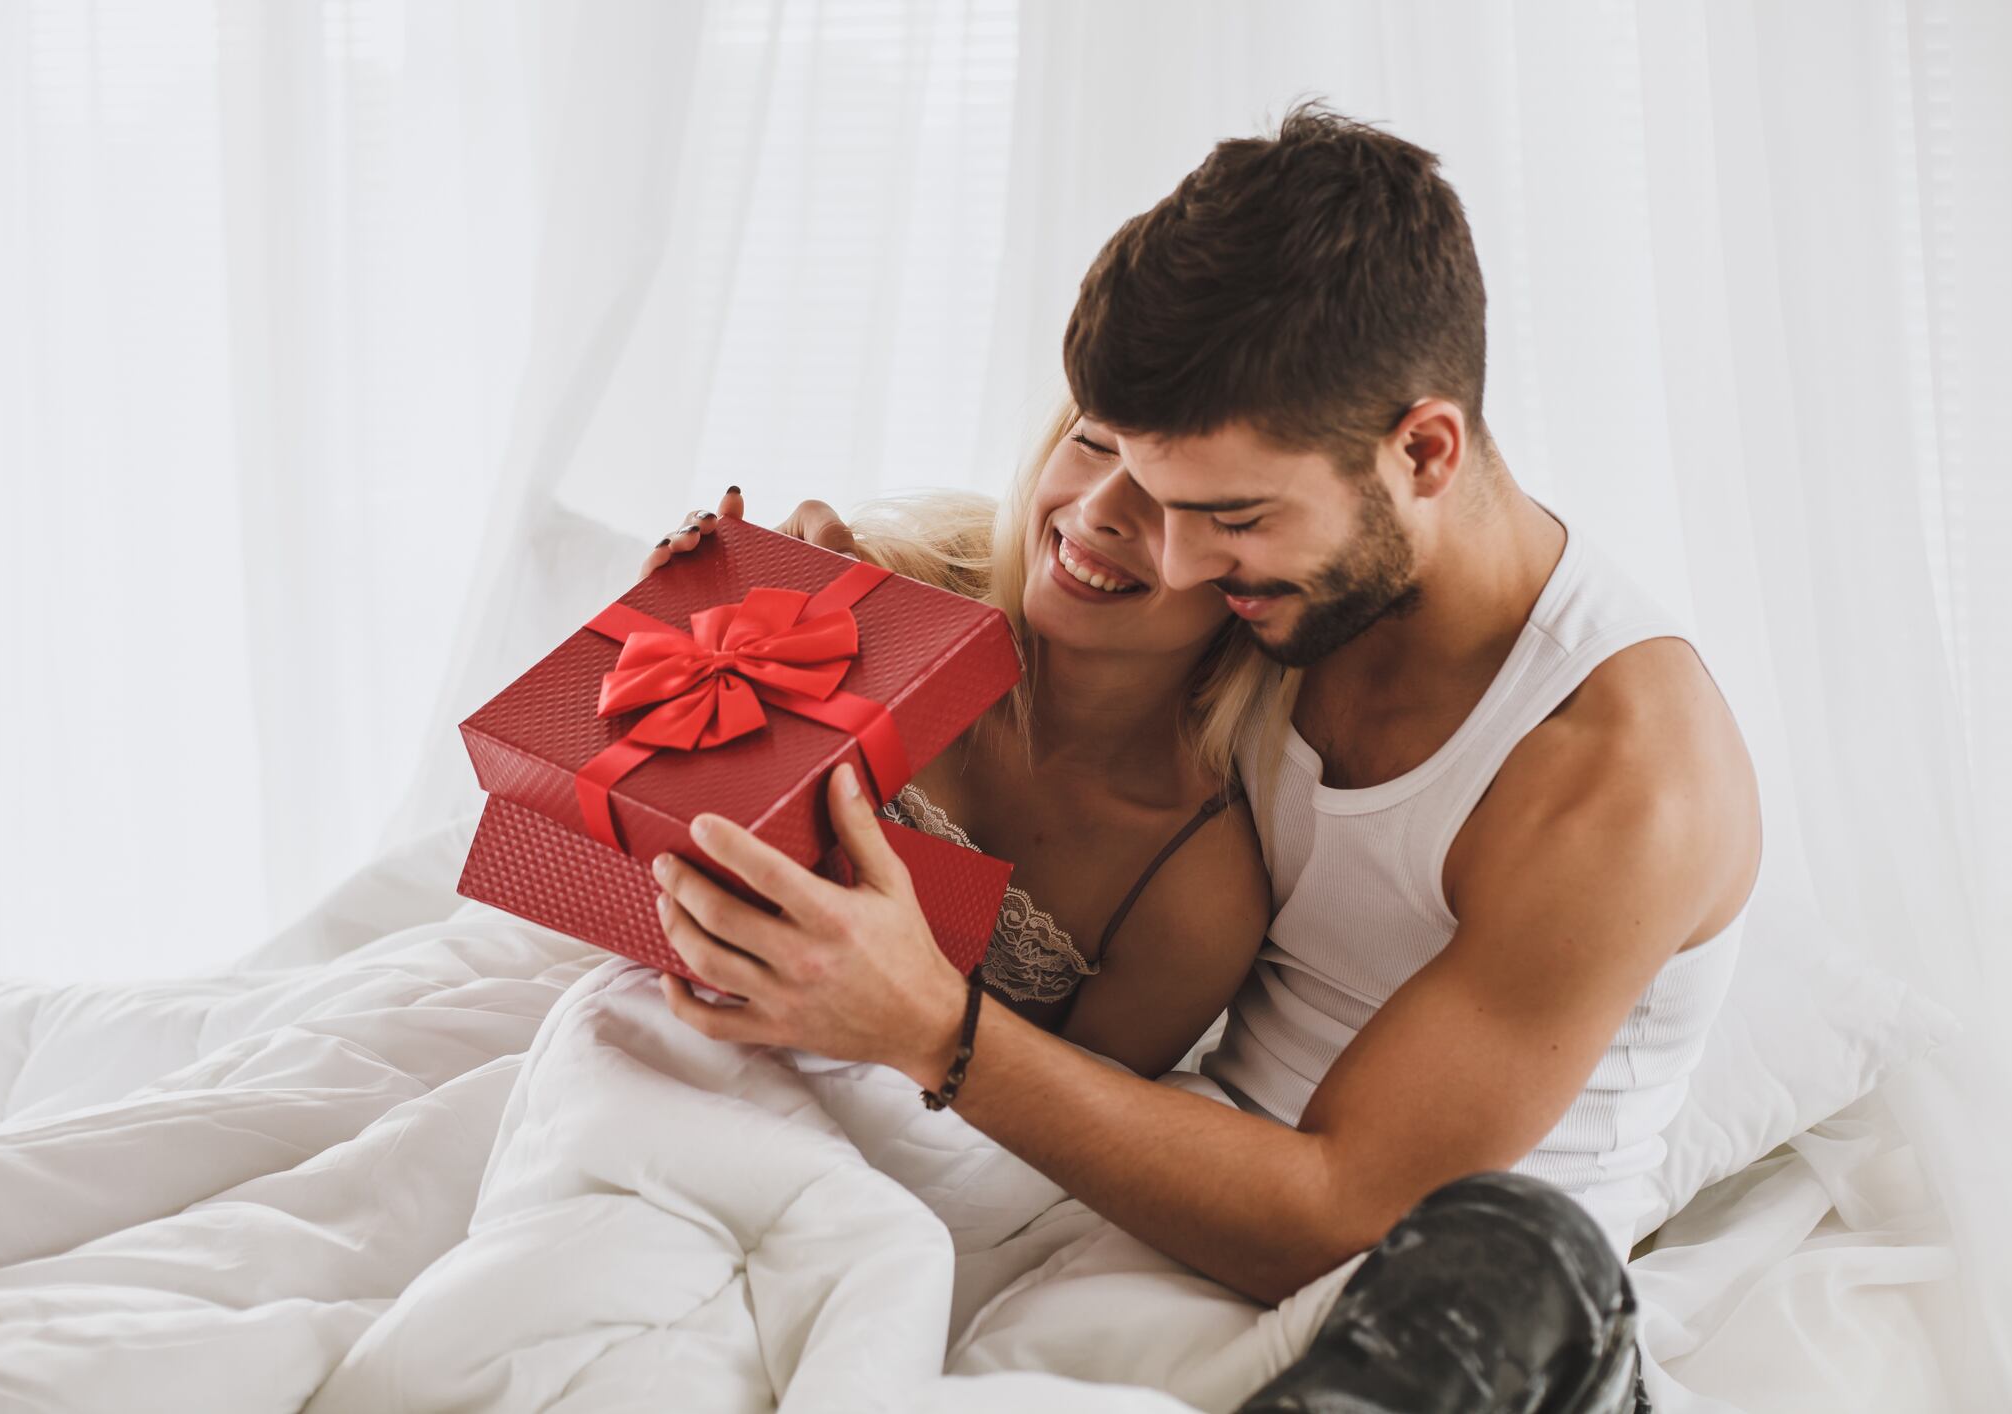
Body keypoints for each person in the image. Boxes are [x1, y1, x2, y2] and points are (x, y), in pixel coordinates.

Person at [642, 101, 1762, 1412]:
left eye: (1225, 517)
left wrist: (931, 1029)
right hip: (1178, 1211)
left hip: (1447, 1304)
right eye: (1156, 496)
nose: (1169, 558)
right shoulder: (1278, 591)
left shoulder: (1619, 772)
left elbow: (1345, 1203)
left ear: (1422, 450)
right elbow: (1026, 688)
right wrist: (789, 620)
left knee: (1513, 1247)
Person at [638, 398, 1284, 1082]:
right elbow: (624, 834)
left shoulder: (1193, 895)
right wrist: (671, 647)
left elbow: (1059, 1148)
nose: (1099, 508)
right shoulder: (885, 590)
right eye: (1096, 442)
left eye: (1178, 495)